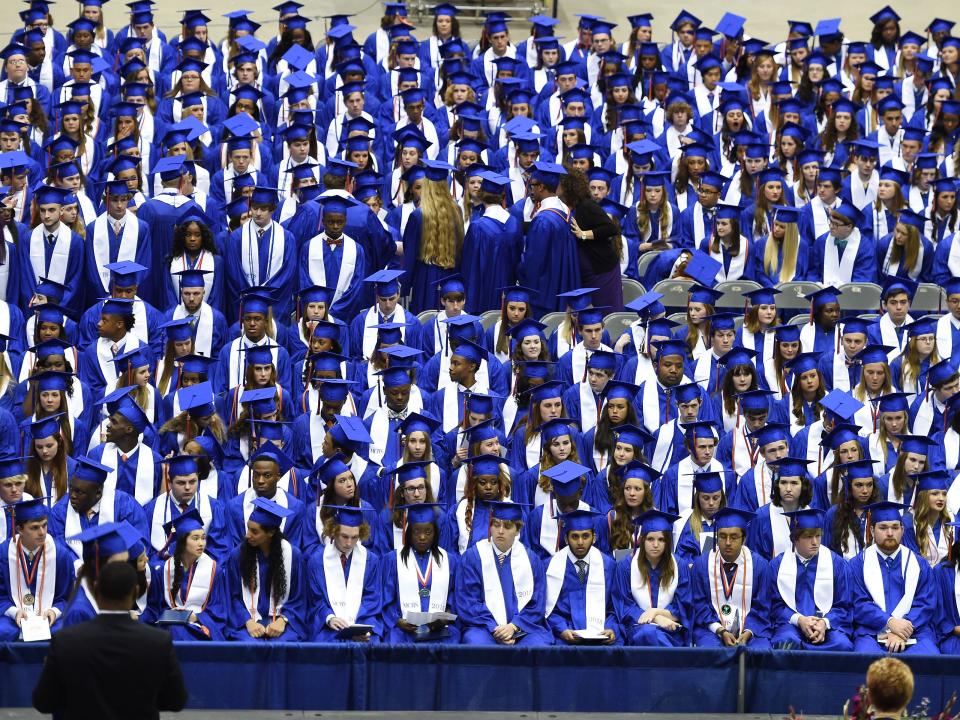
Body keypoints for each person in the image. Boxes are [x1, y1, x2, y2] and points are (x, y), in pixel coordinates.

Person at [31, 561, 187, 720]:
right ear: (136, 591)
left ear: (96, 590)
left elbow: (43, 702)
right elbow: (176, 701)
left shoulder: (65, 642)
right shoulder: (159, 642)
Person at [455, 499, 553, 645]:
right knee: (475, 642)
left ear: (518, 530)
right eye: (496, 524)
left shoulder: (532, 560)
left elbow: (537, 604)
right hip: (484, 627)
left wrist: (514, 627)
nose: (500, 531)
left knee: (538, 644)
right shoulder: (473, 557)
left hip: (523, 627)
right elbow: (468, 601)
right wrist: (496, 629)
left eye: (507, 526)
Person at [847, 501, 939, 654]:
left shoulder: (919, 564)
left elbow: (925, 602)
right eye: (883, 528)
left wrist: (903, 628)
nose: (890, 533)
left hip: (914, 630)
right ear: (871, 530)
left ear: (902, 530)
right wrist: (889, 622)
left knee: (928, 658)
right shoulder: (857, 565)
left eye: (895, 527)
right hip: (872, 631)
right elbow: (858, 603)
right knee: (865, 656)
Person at [768, 508, 853, 650]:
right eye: (808, 537)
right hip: (790, 624)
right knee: (785, 643)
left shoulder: (836, 564)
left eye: (818, 536)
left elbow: (844, 605)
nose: (815, 542)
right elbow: (774, 605)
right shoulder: (777, 566)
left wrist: (824, 623)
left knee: (842, 645)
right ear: (794, 538)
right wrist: (799, 620)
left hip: (828, 625)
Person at [225, 496, 306, 641]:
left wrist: (283, 621)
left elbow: (298, 598)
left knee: (285, 644)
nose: (247, 535)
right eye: (248, 528)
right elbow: (232, 596)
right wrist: (248, 621)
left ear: (270, 533)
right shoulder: (237, 555)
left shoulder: (293, 555)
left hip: (282, 621)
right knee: (248, 644)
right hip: (245, 621)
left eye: (254, 531)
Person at [690, 507, 771, 649]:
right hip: (711, 629)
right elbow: (699, 604)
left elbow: (762, 607)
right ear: (716, 537)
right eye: (722, 536)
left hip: (752, 629)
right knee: (709, 650)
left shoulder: (759, 566)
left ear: (744, 539)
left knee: (761, 652)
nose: (728, 542)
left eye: (734, 537)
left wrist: (748, 632)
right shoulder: (702, 564)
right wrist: (720, 630)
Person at [381, 502, 459, 644]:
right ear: (408, 532)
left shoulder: (450, 561)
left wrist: (445, 616)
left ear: (435, 533)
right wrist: (397, 621)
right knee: (394, 642)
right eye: (416, 531)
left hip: (439, 630)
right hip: (404, 630)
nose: (422, 537)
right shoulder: (392, 560)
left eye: (428, 532)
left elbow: (454, 596)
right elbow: (386, 599)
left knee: (452, 641)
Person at [0, 497, 75, 640]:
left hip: (49, 617)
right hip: (14, 618)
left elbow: (67, 596)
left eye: (44, 525)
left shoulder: (60, 555)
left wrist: (54, 611)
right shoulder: (3, 553)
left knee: (65, 632)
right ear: (19, 529)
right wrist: (14, 612)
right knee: (3, 631)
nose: (42, 532)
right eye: (34, 527)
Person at [148, 508, 228, 641]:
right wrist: (170, 615)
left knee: (176, 631)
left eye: (203, 538)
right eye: (195, 539)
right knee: (173, 629)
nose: (201, 543)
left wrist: (196, 617)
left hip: (200, 627)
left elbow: (219, 610)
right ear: (182, 541)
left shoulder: (214, 570)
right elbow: (155, 606)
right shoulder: (164, 570)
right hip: (170, 625)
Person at [307, 504, 382, 642]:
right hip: (330, 627)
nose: (349, 543)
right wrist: (329, 618)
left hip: (360, 622)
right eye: (344, 536)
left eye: (354, 537)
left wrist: (359, 627)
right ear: (333, 531)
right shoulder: (317, 561)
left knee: (372, 643)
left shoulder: (371, 561)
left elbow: (372, 598)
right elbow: (315, 600)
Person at [614, 509, 690, 647]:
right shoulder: (626, 566)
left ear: (667, 542)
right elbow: (623, 605)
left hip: (670, 627)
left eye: (661, 539)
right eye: (650, 539)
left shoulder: (679, 565)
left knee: (655, 635)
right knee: (649, 633)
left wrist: (656, 612)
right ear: (642, 540)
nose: (655, 545)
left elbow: (684, 605)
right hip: (637, 626)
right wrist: (656, 618)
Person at [545, 508, 620, 645]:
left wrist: (611, 628)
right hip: (565, 633)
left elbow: (614, 607)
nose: (580, 542)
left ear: (594, 538)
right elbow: (547, 608)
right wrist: (561, 629)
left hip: (601, 632)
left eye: (585, 536)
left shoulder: (608, 566)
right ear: (566, 539)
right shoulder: (551, 567)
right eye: (575, 536)